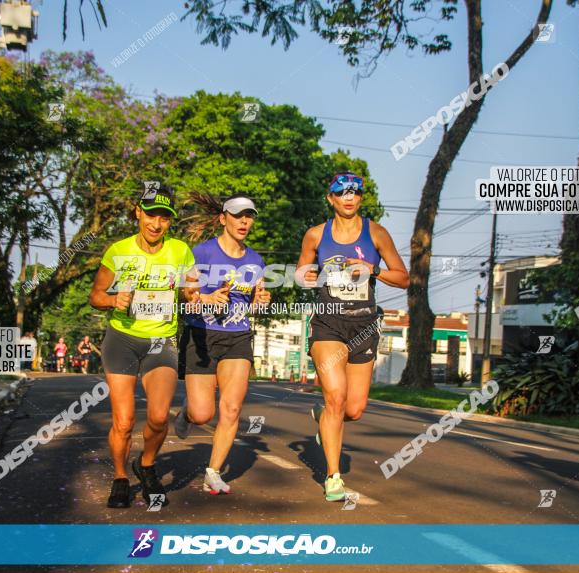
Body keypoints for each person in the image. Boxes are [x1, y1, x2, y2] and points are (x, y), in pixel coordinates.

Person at [296, 172, 409, 501]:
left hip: (363, 326)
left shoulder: (376, 233)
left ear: (360, 197)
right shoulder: (316, 236)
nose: (349, 197)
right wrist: (316, 274)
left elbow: (403, 278)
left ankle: (322, 417)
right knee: (336, 396)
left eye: (355, 192)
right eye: (341, 192)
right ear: (330, 198)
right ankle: (333, 476)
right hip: (328, 324)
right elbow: (302, 274)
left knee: (354, 408)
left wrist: (371, 269)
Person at [88, 184, 194, 509]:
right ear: (138, 212)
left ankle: (145, 464)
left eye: (164, 217)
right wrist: (112, 300)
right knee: (124, 420)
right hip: (122, 340)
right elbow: (95, 296)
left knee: (160, 418)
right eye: (151, 215)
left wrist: (192, 294)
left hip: (161, 340)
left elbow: (192, 291)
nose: (156, 223)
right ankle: (121, 476)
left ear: (170, 221)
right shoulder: (118, 251)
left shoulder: (180, 251)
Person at [175, 193, 271, 494]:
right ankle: (188, 412)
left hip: (238, 336)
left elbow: (257, 301)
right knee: (203, 414)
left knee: (230, 409)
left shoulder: (256, 260)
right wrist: (204, 297)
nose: (245, 221)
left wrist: (261, 300)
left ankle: (213, 472)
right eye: (238, 215)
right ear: (223, 218)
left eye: (250, 215)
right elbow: (184, 294)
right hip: (201, 334)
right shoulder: (202, 253)